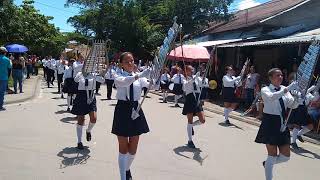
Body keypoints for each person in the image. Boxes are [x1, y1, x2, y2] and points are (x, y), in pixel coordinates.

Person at [111, 52, 151, 180]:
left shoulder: (138, 76)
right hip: (122, 109)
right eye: (127, 61)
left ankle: (126, 168)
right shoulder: (117, 74)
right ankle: (123, 176)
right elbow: (123, 83)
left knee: (133, 149)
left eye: (132, 60)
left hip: (136, 108)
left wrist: (155, 78)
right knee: (123, 148)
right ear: (121, 64)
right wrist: (139, 75)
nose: (130, 63)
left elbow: (152, 86)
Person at [254, 68, 299, 180]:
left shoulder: (284, 89)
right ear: (270, 78)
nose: (280, 77)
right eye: (277, 75)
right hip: (270, 123)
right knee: (272, 155)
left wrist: (297, 98)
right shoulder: (265, 89)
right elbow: (271, 98)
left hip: (282, 122)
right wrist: (288, 88)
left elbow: (292, 105)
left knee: (285, 157)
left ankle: (267, 164)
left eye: (281, 75)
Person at [71, 70, 105, 149]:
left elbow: (102, 81)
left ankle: (88, 131)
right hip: (81, 96)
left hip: (91, 96)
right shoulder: (80, 73)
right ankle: (79, 141)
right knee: (81, 120)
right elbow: (75, 80)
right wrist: (82, 74)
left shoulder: (94, 74)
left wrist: (95, 76)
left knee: (94, 118)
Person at [182, 65, 206, 148]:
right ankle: (190, 140)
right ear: (186, 71)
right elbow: (185, 87)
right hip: (190, 99)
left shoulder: (197, 78)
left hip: (197, 99)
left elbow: (203, 85)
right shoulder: (184, 79)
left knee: (202, 120)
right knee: (190, 120)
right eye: (190, 69)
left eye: (193, 69)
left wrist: (204, 79)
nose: (192, 70)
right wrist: (192, 79)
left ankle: (191, 126)